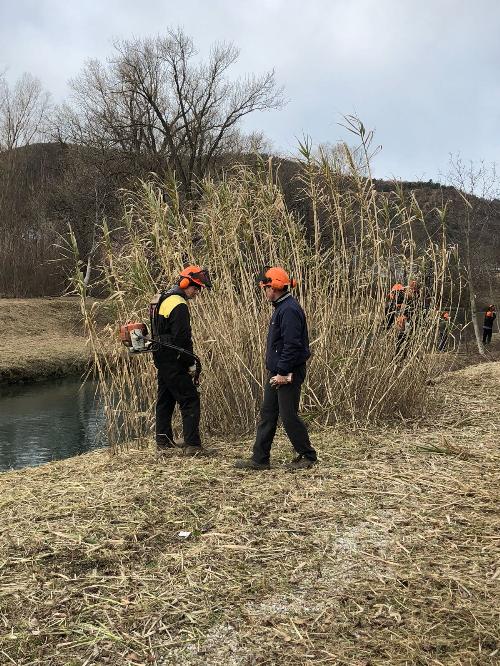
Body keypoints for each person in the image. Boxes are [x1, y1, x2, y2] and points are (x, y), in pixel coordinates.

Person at [235, 266, 318, 471]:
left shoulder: (289, 309)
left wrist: (282, 372)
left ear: (274, 287)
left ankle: (308, 455)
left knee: (288, 415)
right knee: (268, 412)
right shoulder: (283, 308)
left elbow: (292, 344)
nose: (264, 292)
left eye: (265, 288)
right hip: (279, 370)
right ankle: (259, 459)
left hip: (287, 371)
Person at [150, 265, 211, 456]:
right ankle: (192, 445)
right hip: (173, 357)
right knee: (190, 399)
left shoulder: (164, 297)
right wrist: (190, 362)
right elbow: (182, 339)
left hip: (161, 355)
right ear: (185, 283)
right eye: (195, 287)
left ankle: (163, 441)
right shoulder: (179, 304)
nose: (197, 291)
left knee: (166, 398)